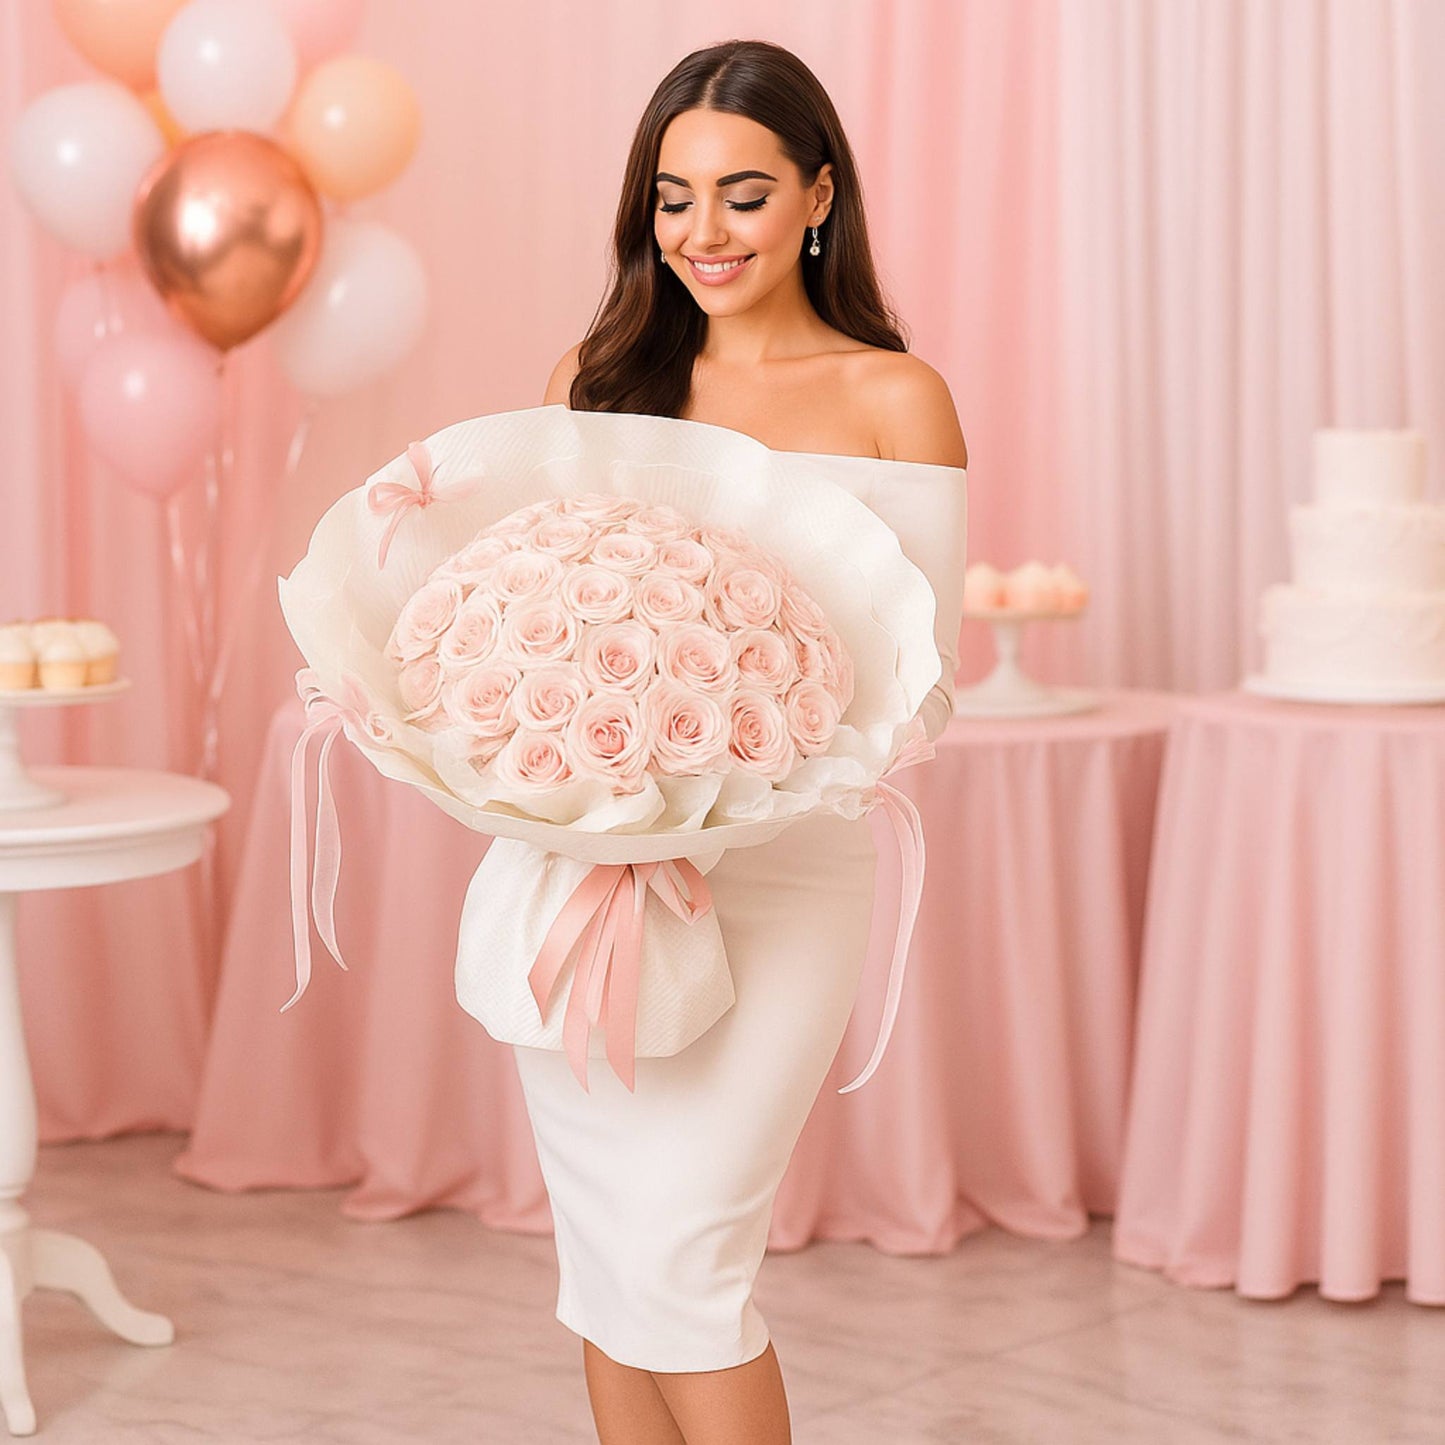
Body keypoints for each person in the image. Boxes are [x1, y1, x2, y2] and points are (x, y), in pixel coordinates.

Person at [521, 37, 968, 1445]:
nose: (700, 233)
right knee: (603, 1266)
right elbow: (534, 624)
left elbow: (923, 689)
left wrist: (743, 775)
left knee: (684, 1265)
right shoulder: (596, 380)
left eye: (742, 194)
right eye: (672, 197)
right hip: (589, 877)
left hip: (785, 873)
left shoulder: (895, 399)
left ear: (818, 195)